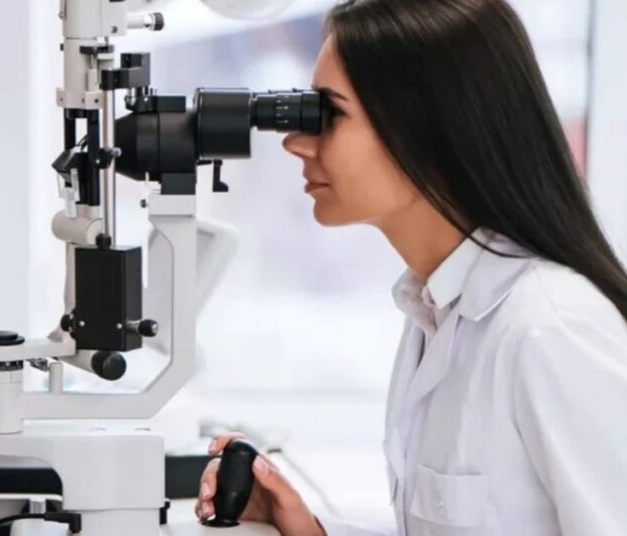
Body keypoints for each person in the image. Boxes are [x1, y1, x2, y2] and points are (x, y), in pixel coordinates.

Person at [195, 0, 627, 534]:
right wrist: (311, 530)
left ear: (429, 128)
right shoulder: (435, 311)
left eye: (330, 116)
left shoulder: (550, 328)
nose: (296, 143)